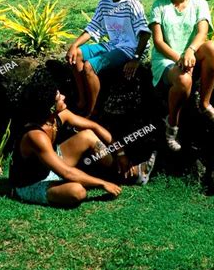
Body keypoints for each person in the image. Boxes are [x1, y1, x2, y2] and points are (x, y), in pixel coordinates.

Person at [9, 74, 155, 207]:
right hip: (31, 183)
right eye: (59, 97)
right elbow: (66, 172)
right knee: (77, 192)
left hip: (51, 164)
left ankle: (127, 174)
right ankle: (106, 179)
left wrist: (121, 153)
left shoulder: (60, 115)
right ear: (50, 107)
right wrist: (102, 184)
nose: (64, 97)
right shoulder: (36, 136)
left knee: (88, 135)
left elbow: (95, 127)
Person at [149, 0, 214, 152]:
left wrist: (190, 51)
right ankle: (172, 125)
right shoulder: (159, 5)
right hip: (166, 59)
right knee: (184, 80)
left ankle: (205, 104)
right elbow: (158, 41)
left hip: (189, 55)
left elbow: (203, 32)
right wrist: (180, 58)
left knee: (212, 47)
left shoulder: (199, 4)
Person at [66, 0, 151, 116]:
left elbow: (144, 34)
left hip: (130, 49)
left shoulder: (132, 3)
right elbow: (93, 26)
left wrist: (135, 59)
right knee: (76, 55)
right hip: (113, 45)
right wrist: (74, 45)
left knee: (89, 66)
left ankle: (91, 112)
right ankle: (82, 99)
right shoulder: (104, 2)